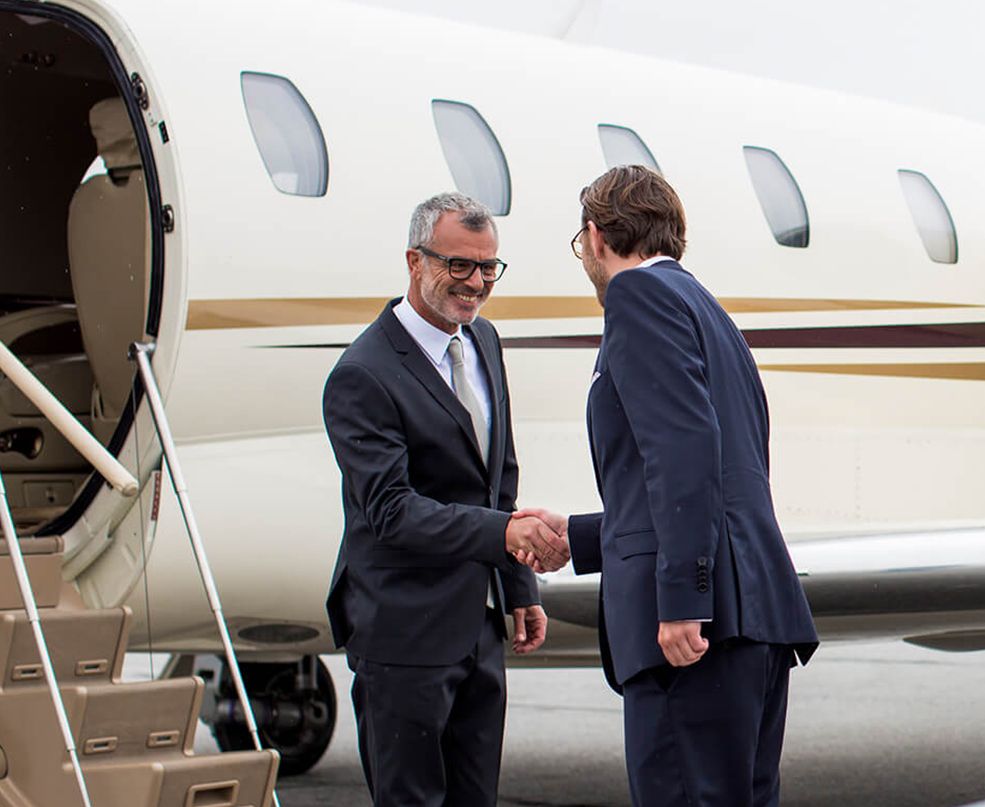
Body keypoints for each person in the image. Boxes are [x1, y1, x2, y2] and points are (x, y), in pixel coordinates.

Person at [514, 165, 817, 806]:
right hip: (752, 614)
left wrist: (683, 598)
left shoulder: (637, 298)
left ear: (595, 237)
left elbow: (682, 454)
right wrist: (579, 536)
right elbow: (722, 471)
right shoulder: (708, 309)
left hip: (699, 630)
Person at [322, 192, 567, 806]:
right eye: (459, 265)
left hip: (477, 629)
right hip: (402, 634)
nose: (476, 283)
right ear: (415, 261)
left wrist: (517, 586)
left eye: (489, 268)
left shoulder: (483, 342)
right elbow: (390, 510)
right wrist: (502, 535)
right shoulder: (364, 373)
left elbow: (497, 476)